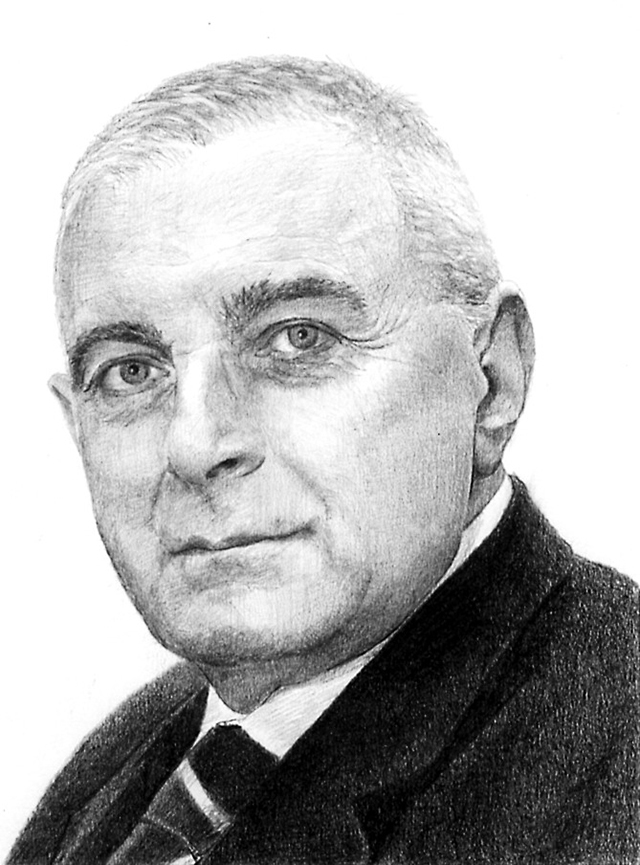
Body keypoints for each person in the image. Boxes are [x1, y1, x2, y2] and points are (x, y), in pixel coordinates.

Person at [10, 56, 638, 865]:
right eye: (131, 372)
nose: (195, 445)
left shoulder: (615, 747)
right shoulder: (126, 763)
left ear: (492, 380)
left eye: (297, 338)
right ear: (75, 423)